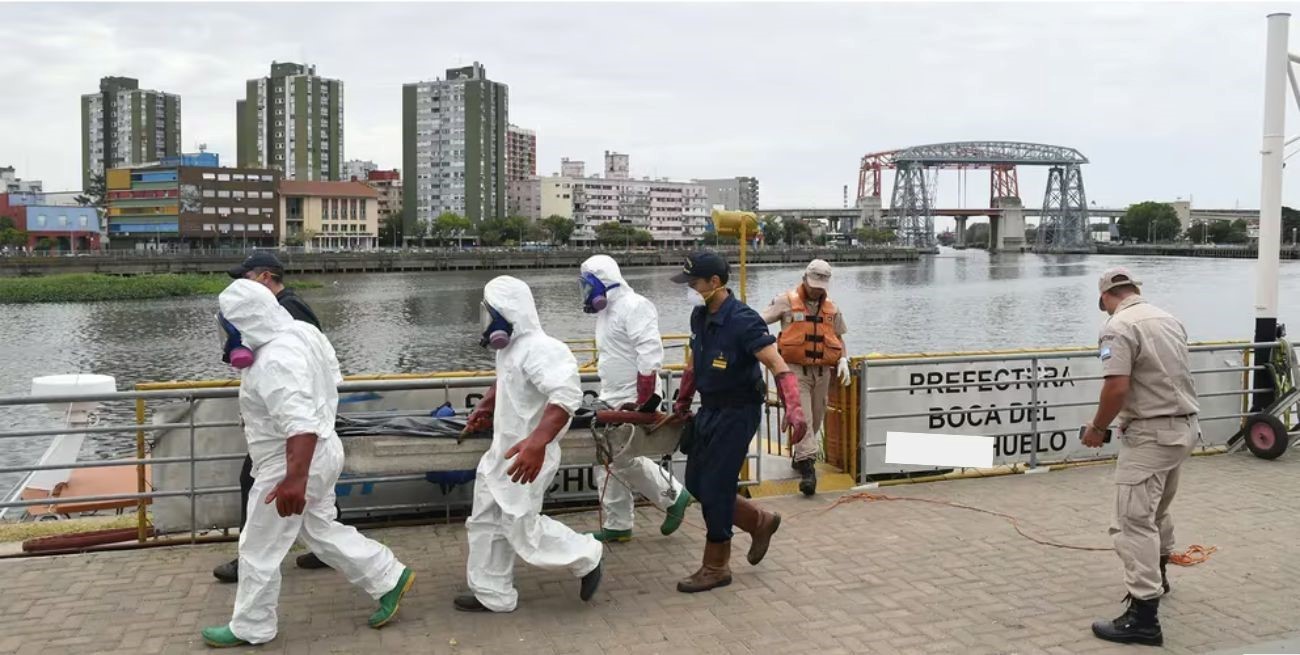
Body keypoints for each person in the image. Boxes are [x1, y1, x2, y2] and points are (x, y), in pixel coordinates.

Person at [201, 280, 413, 648]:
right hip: (321, 449)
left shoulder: (273, 361)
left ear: (240, 325)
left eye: (227, 329)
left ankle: (252, 625)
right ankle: (388, 576)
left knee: (258, 546)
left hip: (290, 462)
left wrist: (293, 480)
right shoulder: (300, 332)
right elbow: (332, 380)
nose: (225, 337)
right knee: (319, 529)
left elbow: (298, 424)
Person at [455, 275, 604, 613]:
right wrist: (487, 405)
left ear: (508, 312)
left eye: (490, 311)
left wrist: (537, 443)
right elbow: (505, 379)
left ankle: (586, 555)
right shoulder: (509, 348)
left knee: (521, 527)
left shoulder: (544, 349)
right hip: (501, 451)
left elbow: (565, 397)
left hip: (528, 454)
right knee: (484, 521)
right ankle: (492, 592)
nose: (486, 319)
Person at [668, 251, 809, 593]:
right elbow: (693, 363)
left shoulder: (744, 321)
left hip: (738, 412)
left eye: (693, 282)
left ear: (714, 283)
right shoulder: (700, 316)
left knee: (716, 487)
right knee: (698, 484)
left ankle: (716, 566)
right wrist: (683, 400)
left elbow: (778, 365)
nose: (689, 288)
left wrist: (794, 408)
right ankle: (758, 521)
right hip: (710, 409)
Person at [1082, 267, 1199, 647]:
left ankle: (1143, 616)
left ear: (1104, 298)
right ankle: (1159, 577)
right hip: (1183, 428)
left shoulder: (1117, 327)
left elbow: (1116, 387)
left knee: (1132, 523)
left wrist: (1097, 427)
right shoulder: (1169, 319)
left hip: (1150, 436)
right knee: (1158, 511)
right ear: (1134, 289)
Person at [214, 251, 327, 583]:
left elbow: (295, 368)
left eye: (244, 279)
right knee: (316, 487)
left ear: (265, 277)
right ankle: (326, 550)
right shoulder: (288, 307)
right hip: (288, 417)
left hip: (289, 421)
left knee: (252, 481)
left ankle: (249, 560)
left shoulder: (286, 311)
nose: (239, 288)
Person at [579, 255, 692, 543]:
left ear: (601, 282)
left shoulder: (635, 306)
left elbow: (650, 354)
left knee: (620, 458)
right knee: (605, 459)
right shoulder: (606, 313)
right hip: (611, 394)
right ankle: (618, 524)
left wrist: (645, 399)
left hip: (631, 396)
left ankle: (673, 496)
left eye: (587, 285)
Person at [760, 259, 851, 496]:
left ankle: (800, 457)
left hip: (822, 373)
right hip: (794, 370)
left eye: (821, 284)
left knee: (817, 417)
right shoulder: (785, 301)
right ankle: (809, 471)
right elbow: (758, 321)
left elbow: (839, 338)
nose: (816, 289)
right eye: (813, 284)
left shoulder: (832, 307)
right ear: (804, 279)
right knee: (805, 418)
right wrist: (764, 348)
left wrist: (843, 359)